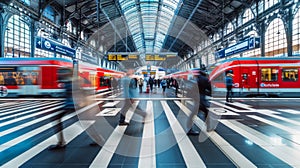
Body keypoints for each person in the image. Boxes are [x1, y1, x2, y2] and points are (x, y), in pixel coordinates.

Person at [49, 69, 75, 150]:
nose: (60, 74)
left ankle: (61, 142)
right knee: (83, 123)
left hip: (71, 106)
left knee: (56, 118)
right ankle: (61, 142)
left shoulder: (71, 82)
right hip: (70, 106)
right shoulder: (69, 81)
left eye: (62, 73)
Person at [187, 69, 212, 135]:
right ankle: (208, 127)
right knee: (205, 112)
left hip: (196, 98)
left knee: (193, 114)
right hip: (201, 99)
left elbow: (192, 89)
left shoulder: (196, 79)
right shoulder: (205, 79)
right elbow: (210, 88)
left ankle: (189, 129)